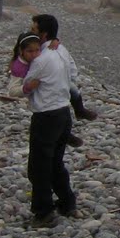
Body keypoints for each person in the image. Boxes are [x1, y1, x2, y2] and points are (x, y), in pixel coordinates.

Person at [22, 14, 77, 226]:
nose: (30, 31)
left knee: (40, 166)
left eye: (33, 29)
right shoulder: (61, 50)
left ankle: (43, 212)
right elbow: (73, 73)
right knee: (56, 162)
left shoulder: (41, 59)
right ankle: (67, 203)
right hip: (64, 112)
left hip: (46, 114)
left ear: (42, 34)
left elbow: (27, 85)